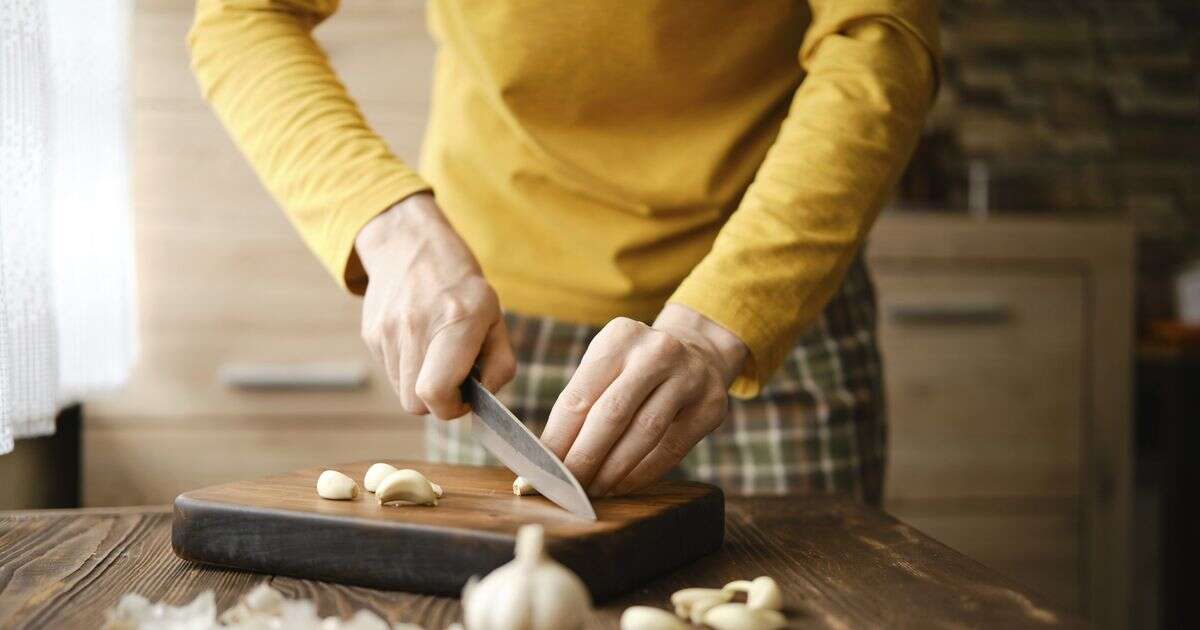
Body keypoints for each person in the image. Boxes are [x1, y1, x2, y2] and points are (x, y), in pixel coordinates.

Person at [189, 0, 939, 505]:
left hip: (772, 309)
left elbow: (879, 37)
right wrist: (390, 228)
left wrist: (722, 322)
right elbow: (242, 13)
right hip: (497, 329)